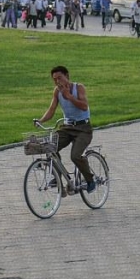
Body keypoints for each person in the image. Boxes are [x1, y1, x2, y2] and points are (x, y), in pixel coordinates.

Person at [35, 66, 95, 197]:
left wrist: (69, 97)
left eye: (60, 78)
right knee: (50, 147)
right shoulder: (57, 92)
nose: (57, 82)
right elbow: (51, 110)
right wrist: (41, 120)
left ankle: (90, 179)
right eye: (55, 79)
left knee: (75, 156)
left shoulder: (78, 88)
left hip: (83, 129)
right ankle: (59, 177)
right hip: (67, 128)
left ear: (67, 76)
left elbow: (84, 106)